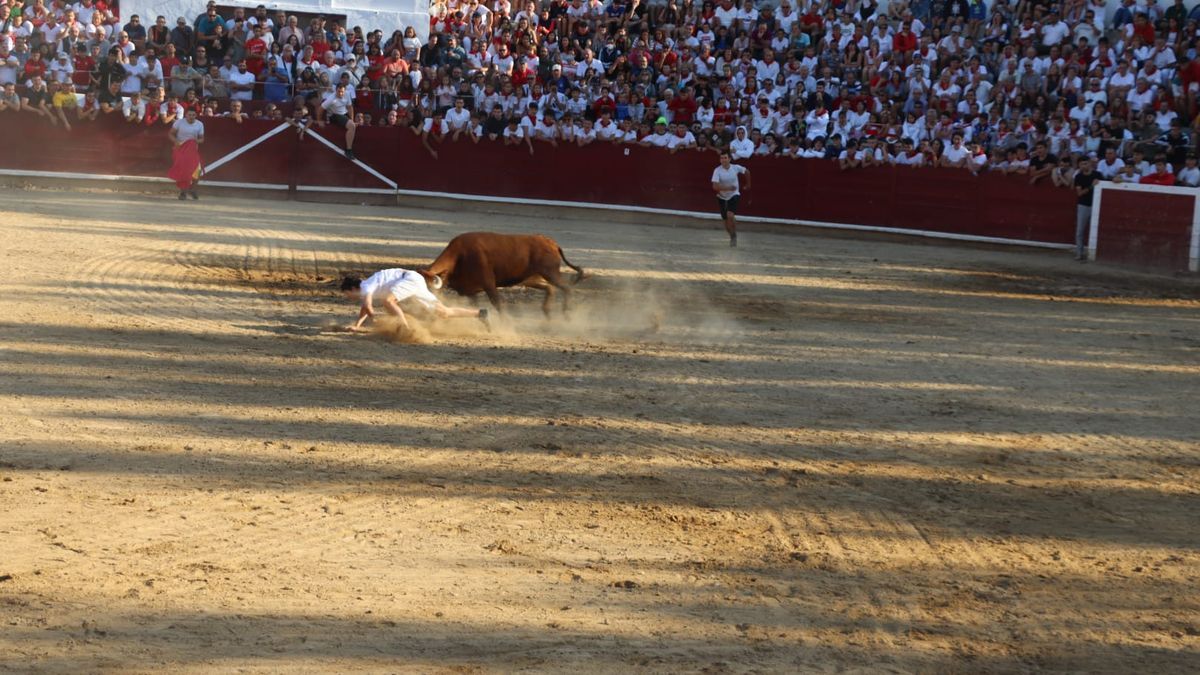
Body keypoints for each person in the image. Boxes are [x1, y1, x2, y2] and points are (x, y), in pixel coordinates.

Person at [340, 268, 489, 333]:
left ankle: (405, 328)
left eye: (347, 293)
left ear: (353, 288)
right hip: (412, 279)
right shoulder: (368, 287)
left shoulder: (366, 287)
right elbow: (365, 308)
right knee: (443, 312)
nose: (348, 297)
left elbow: (368, 306)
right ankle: (480, 313)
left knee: (388, 301)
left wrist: (374, 319)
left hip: (408, 279)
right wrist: (357, 326)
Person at [711, 150, 751, 247]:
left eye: (725, 158)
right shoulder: (717, 170)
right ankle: (732, 236)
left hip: (734, 194)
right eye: (721, 158)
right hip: (721, 196)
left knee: (730, 215)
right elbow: (715, 187)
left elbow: (747, 171)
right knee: (725, 220)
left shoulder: (735, 167)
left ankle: (733, 230)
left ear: (729, 159)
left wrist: (748, 184)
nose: (723, 160)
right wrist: (727, 188)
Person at [168, 107, 204, 200]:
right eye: (189, 115)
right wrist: (176, 141)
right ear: (185, 115)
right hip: (180, 149)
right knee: (183, 170)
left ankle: (192, 189)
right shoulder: (179, 122)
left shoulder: (199, 124)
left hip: (192, 150)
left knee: (198, 171)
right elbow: (171, 134)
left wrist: (196, 140)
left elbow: (202, 139)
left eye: (193, 115)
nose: (191, 117)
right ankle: (183, 192)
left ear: (196, 115)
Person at [1073, 158, 1101, 262]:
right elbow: (1079, 193)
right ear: (1079, 166)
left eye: (1085, 163)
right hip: (1083, 205)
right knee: (1080, 231)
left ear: (1090, 164)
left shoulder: (1098, 174)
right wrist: (1091, 187)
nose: (1084, 166)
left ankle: (1096, 253)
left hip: (1097, 205)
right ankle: (1079, 254)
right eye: (1081, 164)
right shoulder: (1079, 177)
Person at [319, 82, 356, 159]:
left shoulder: (347, 94)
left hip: (343, 113)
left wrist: (352, 119)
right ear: (335, 90)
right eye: (339, 91)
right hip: (334, 115)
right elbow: (321, 108)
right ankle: (348, 149)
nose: (340, 93)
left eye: (342, 91)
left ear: (345, 90)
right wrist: (319, 120)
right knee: (352, 126)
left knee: (354, 123)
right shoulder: (331, 98)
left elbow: (349, 107)